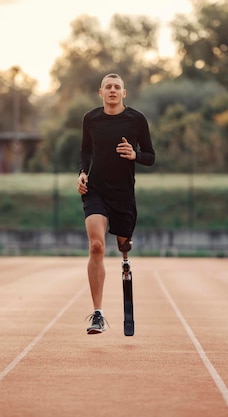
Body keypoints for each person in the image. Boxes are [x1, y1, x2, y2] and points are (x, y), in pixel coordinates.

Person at [76, 73, 155, 334]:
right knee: (96, 246)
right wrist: (82, 173)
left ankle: (124, 257)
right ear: (101, 92)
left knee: (123, 242)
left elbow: (151, 156)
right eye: (108, 87)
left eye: (117, 87)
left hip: (123, 194)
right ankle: (97, 314)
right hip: (95, 190)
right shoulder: (91, 119)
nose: (112, 90)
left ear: (124, 93)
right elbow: (86, 151)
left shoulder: (136, 119)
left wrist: (135, 155)